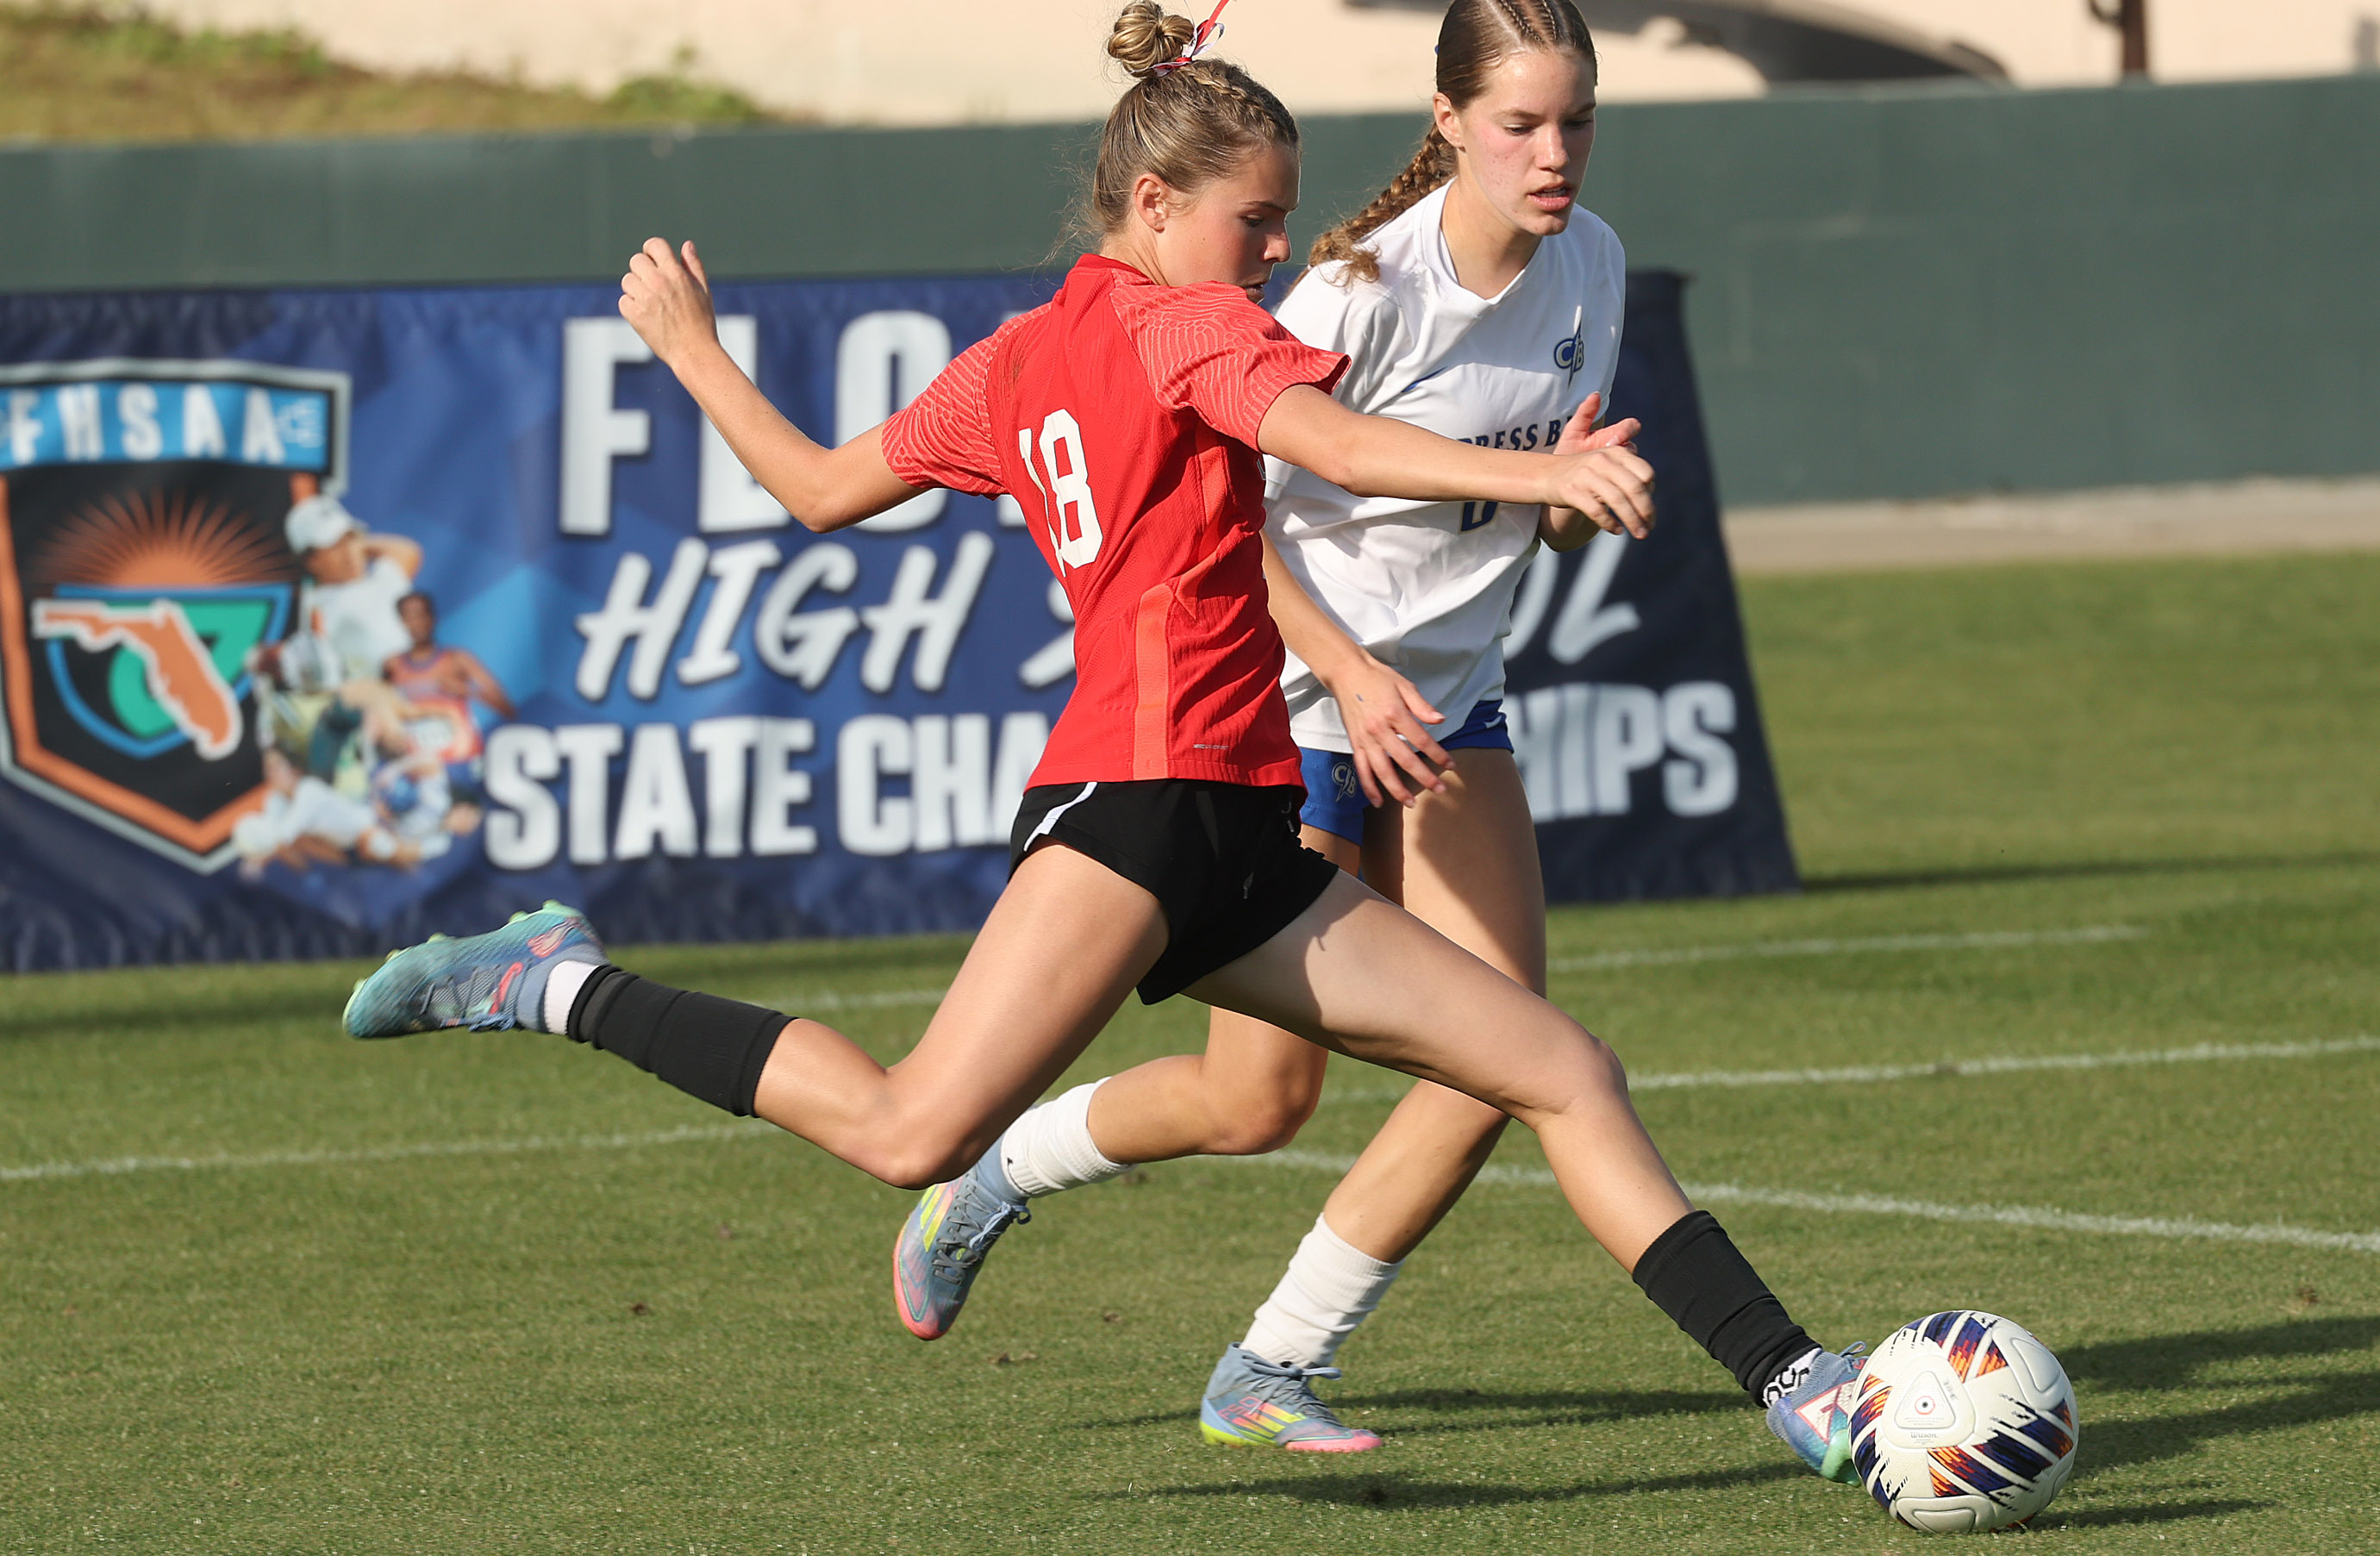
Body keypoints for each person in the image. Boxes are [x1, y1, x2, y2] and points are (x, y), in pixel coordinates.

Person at [340, 0, 1864, 1485]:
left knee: (1557, 1065)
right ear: (1153, 204)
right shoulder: (1190, 326)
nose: (1275, 251)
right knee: (905, 1128)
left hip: (1241, 824)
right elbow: (1334, 447)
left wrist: (692, 349)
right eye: (1254, 221)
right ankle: (552, 981)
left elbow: (812, 487)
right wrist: (1545, 475)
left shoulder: (1015, 358)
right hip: (1133, 805)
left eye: (1281, 223)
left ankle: (1799, 1383)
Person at [890, 0, 1646, 1455]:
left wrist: (1572, 494)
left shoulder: (1591, 263)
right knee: (1258, 1102)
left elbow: (1523, 503)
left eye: (1575, 122)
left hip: (1450, 702)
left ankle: (1273, 1360)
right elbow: (1227, 520)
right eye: (1520, 124)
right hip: (1293, 701)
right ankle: (988, 1177)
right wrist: (1348, 671)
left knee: (1518, 1060)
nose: (1553, 154)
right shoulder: (1353, 289)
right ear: (1448, 123)